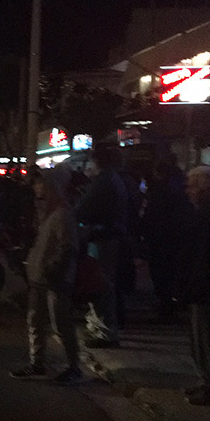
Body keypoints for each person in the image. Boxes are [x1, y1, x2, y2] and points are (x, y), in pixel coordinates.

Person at [10, 166, 82, 384]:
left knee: (61, 324)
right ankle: (37, 363)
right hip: (39, 277)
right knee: (35, 321)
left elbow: (68, 247)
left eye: (41, 183)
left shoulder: (62, 214)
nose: (36, 186)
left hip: (54, 280)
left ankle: (74, 367)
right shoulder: (48, 212)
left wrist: (52, 269)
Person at [76, 145, 128, 348]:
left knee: (100, 285)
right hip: (108, 236)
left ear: (96, 161)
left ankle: (105, 332)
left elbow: (83, 209)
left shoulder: (103, 182)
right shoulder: (112, 180)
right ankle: (101, 327)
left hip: (102, 238)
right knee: (104, 284)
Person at [142, 159, 192, 322]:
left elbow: (152, 215)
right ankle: (172, 302)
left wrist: (145, 231)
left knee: (161, 272)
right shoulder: (180, 188)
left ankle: (165, 305)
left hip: (160, 238)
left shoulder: (159, 190)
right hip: (174, 237)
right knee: (172, 271)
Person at [183, 166, 210, 405]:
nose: (188, 191)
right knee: (200, 337)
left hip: (205, 284)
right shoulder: (201, 211)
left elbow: (202, 253)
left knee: (205, 337)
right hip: (200, 283)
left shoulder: (206, 214)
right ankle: (206, 381)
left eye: (192, 186)